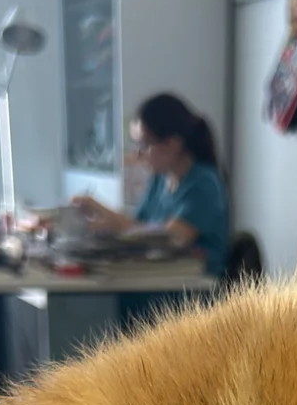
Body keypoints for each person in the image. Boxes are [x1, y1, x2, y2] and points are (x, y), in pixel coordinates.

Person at [73, 93, 229, 277]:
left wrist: (109, 223)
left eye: (144, 145)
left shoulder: (204, 183)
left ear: (172, 144)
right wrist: (94, 211)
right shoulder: (160, 179)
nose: (138, 154)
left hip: (191, 292)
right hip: (156, 278)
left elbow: (172, 238)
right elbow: (137, 226)